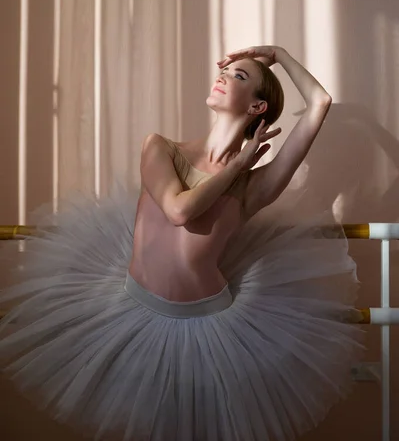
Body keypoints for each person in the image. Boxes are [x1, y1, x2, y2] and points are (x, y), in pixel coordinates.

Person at [0, 45, 363, 441]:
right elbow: (178, 210)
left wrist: (278, 54)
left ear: (258, 108)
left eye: (240, 76)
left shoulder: (254, 188)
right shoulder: (162, 148)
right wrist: (238, 166)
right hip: (133, 311)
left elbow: (320, 102)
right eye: (226, 72)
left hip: (214, 324)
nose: (223, 76)